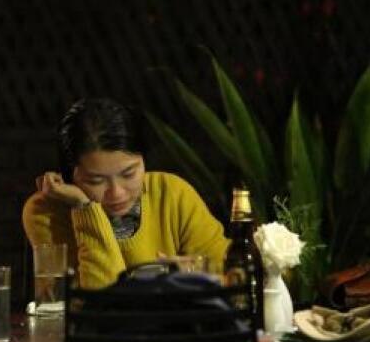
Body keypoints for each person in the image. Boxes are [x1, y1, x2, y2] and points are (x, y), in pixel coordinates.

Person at [22, 97, 229, 289]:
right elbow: (96, 300)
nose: (117, 193)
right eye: (96, 181)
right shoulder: (46, 212)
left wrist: (192, 271)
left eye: (129, 174)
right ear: (70, 176)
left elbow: (234, 276)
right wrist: (84, 207)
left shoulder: (171, 194)